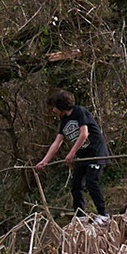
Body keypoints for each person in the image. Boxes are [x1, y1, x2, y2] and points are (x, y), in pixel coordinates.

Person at [35, 82, 110, 223]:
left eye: (53, 107)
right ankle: (80, 215)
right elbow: (57, 142)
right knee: (76, 184)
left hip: (95, 152)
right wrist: (44, 161)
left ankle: (103, 214)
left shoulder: (79, 112)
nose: (52, 110)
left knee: (91, 181)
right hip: (83, 156)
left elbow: (84, 134)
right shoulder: (64, 120)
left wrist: (71, 153)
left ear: (60, 105)